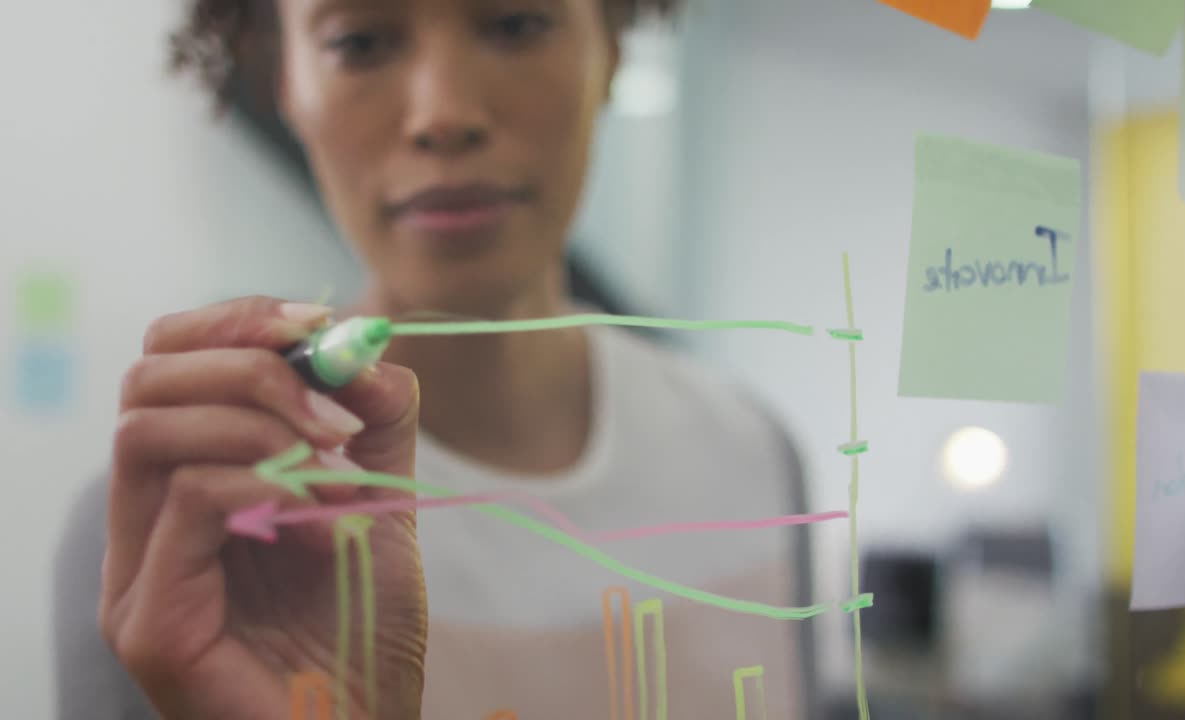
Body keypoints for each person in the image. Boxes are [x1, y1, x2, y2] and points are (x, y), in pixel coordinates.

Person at [53, 0, 819, 717]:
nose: (443, 114)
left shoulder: (751, 454)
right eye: (361, 42)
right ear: (288, 84)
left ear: (611, 49)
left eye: (515, 26)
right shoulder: (190, 535)